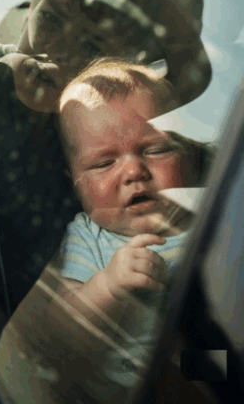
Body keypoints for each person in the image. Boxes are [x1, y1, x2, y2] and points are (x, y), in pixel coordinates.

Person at [53, 58, 208, 388]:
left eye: (155, 149)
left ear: (190, 155)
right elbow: (64, 334)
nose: (134, 171)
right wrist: (108, 286)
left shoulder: (211, 208)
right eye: (104, 163)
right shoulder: (90, 238)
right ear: (75, 183)